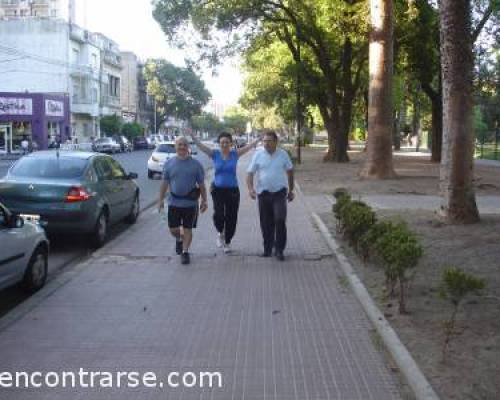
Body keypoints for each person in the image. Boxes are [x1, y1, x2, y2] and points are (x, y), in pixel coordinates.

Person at [191, 132, 259, 253]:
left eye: (227, 142)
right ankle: (220, 232)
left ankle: (227, 242)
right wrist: (193, 137)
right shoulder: (215, 154)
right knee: (219, 215)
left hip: (233, 190)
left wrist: (258, 139)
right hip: (217, 190)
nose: (224, 144)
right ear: (219, 143)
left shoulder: (235, 154)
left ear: (231, 143)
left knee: (231, 217)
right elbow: (201, 147)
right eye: (222, 142)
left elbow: (248, 147)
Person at [158, 137, 208, 265]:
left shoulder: (196, 165)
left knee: (188, 229)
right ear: (175, 146)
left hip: (190, 203)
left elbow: (202, 184)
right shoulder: (169, 164)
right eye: (179, 145)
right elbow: (164, 183)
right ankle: (179, 239)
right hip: (173, 202)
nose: (182, 147)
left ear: (188, 147)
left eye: (184, 145)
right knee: (173, 229)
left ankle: (185, 252)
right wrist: (160, 200)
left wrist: (204, 200)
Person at [246, 131, 295, 261]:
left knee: (279, 219)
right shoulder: (258, 154)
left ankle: (279, 249)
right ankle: (267, 248)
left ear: (275, 142)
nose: (266, 143)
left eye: (269, 141)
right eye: (264, 141)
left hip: (279, 193)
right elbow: (250, 173)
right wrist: (250, 189)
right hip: (263, 193)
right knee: (266, 223)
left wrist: (291, 190)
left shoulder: (283, 154)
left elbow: (290, 171)